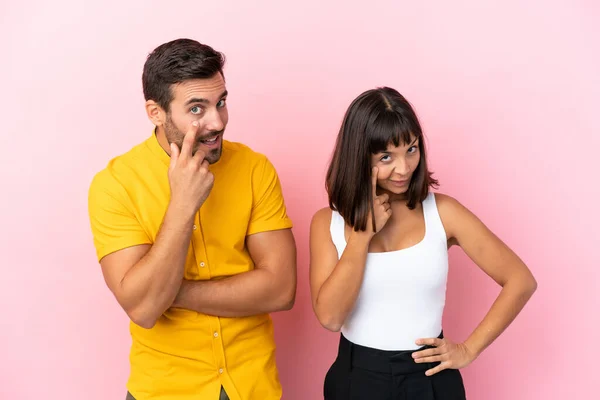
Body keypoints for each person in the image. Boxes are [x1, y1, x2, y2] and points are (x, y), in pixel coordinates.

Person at [88, 38, 297, 400]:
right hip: (164, 389)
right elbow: (145, 311)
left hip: (252, 385)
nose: (217, 121)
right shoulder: (115, 185)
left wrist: (170, 293)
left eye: (221, 103)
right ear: (156, 112)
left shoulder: (254, 169)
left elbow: (280, 289)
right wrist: (183, 205)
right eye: (197, 109)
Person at [309, 87, 537, 399]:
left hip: (428, 378)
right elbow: (331, 318)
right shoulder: (328, 223)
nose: (403, 169)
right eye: (386, 156)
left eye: (411, 150)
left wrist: (469, 349)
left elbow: (521, 280)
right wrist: (362, 236)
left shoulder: (443, 212)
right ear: (359, 156)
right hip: (356, 378)